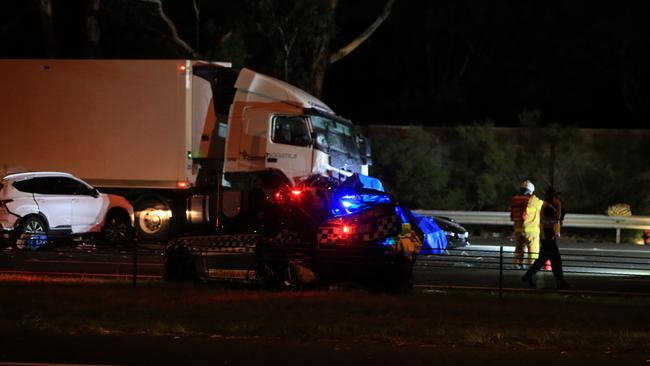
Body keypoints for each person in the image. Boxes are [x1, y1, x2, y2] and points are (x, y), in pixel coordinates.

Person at [522, 188, 570, 289]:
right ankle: (560, 282)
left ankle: (528, 275)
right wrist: (559, 205)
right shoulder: (549, 206)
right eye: (555, 195)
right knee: (556, 260)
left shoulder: (545, 205)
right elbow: (557, 217)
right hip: (549, 235)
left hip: (547, 235)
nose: (557, 197)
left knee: (543, 259)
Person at [509, 180, 544, 269]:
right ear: (531, 191)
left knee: (519, 248)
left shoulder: (515, 199)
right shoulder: (533, 200)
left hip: (518, 230)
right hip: (531, 232)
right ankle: (532, 266)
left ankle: (517, 264)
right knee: (533, 250)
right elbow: (544, 205)